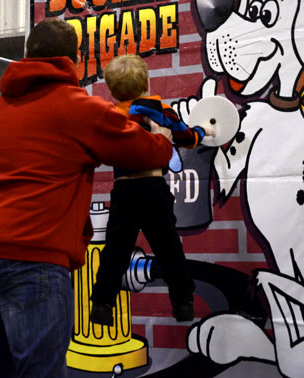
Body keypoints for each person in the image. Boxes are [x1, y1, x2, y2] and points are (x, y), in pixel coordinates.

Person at [0, 19, 174, 378]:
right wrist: (163, 136)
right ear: (73, 60)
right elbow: (147, 152)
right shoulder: (78, 107)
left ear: (26, 55)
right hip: (30, 251)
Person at [90, 54, 213, 326]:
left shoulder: (111, 117)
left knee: (116, 250)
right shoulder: (161, 111)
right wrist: (202, 132)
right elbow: (186, 137)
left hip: (123, 190)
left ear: (111, 90)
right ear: (147, 81)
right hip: (153, 187)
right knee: (169, 247)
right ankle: (182, 302)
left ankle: (102, 302)